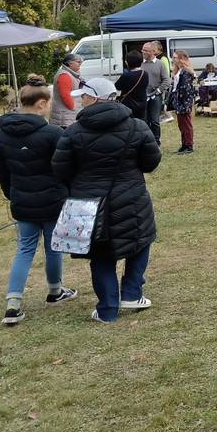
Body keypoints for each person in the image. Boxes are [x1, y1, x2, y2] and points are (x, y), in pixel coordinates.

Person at [52, 77, 161, 323]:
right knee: (140, 240)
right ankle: (132, 293)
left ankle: (108, 308)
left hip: (90, 204)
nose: (81, 100)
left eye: (85, 96)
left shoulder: (73, 132)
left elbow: (61, 169)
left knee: (101, 254)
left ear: (97, 99)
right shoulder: (137, 126)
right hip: (131, 197)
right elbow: (151, 161)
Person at [0, 75, 77, 325]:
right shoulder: (52, 134)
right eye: (50, 103)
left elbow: (1, 170)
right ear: (41, 103)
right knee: (53, 248)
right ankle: (54, 290)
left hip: (23, 200)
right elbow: (66, 167)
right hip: (52, 200)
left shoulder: (3, 134)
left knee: (25, 250)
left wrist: (12, 194)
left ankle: (13, 303)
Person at [140, 41, 171, 145]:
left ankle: (156, 141)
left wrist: (158, 91)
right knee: (144, 120)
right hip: (143, 96)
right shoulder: (139, 63)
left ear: (153, 51)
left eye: (146, 50)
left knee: (155, 120)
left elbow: (166, 80)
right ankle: (145, 141)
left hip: (155, 96)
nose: (143, 52)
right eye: (142, 50)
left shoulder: (160, 64)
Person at [168, 50, 197, 155]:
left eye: (175, 57)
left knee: (186, 124)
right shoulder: (179, 71)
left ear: (181, 59)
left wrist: (183, 103)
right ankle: (184, 144)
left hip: (183, 101)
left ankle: (189, 145)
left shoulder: (185, 72)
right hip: (178, 101)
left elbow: (186, 90)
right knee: (181, 124)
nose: (173, 59)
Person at [50, 52, 84, 128]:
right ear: (70, 63)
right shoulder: (64, 76)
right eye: (78, 62)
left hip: (68, 116)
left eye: (80, 62)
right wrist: (73, 108)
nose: (80, 64)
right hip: (65, 118)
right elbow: (66, 96)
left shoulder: (71, 74)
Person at [115, 50, 149, 120]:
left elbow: (117, 86)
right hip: (142, 103)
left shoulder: (126, 75)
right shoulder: (145, 73)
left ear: (129, 62)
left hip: (128, 104)